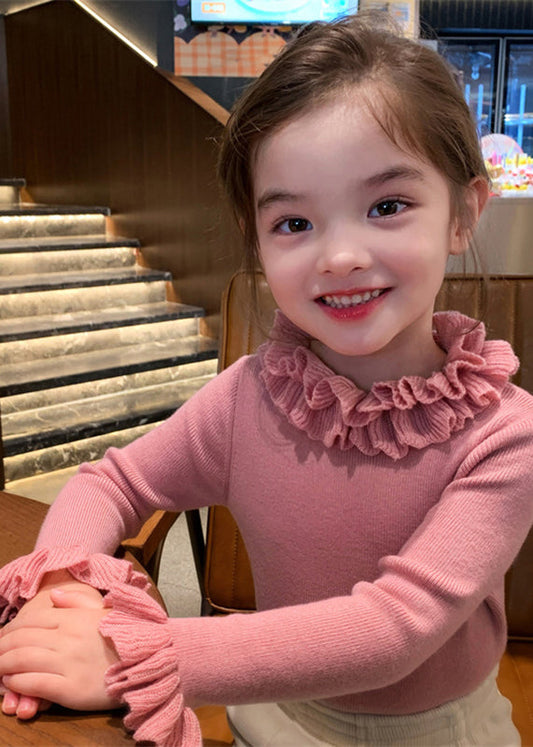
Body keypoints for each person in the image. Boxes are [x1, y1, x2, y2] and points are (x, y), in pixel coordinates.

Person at [1, 12, 532, 746]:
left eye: (387, 206)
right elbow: (110, 483)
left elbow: (395, 628)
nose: (339, 256)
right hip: (271, 711)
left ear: (462, 213)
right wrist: (62, 588)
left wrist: (133, 651)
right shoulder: (247, 397)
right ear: (256, 237)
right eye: (293, 223)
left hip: (439, 731)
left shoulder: (506, 433)